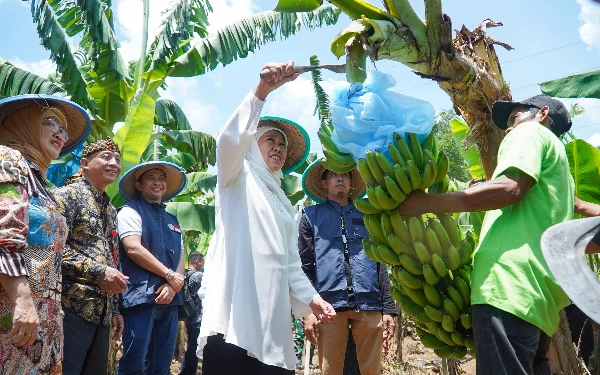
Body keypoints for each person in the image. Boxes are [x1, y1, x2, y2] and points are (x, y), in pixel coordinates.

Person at [396, 94, 589, 374]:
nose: (509, 128)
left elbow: (509, 189)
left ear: (542, 113)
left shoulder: (531, 132)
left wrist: (425, 203)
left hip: (507, 286)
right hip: (538, 301)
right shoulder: (563, 175)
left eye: (514, 117)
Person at [198, 61, 336, 375]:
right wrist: (263, 91)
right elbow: (229, 142)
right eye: (270, 140)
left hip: (272, 319)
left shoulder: (283, 203)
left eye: (283, 144)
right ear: (252, 146)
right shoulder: (236, 177)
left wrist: (312, 299)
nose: (278, 148)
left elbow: (289, 263)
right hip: (234, 316)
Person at [0, 94, 91, 373]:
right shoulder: (8, 158)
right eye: (50, 122)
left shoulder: (43, 183)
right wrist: (23, 300)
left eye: (63, 130)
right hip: (12, 310)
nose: (60, 134)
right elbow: (6, 234)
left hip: (45, 315)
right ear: (24, 122)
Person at [298, 159, 397, 375]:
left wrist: (388, 308)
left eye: (345, 174)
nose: (339, 178)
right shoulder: (310, 217)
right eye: (333, 174)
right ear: (324, 183)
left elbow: (381, 262)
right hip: (328, 306)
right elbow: (305, 266)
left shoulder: (369, 214)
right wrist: (309, 310)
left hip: (369, 302)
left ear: (352, 181)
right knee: (329, 370)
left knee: (371, 370)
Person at [54, 137, 128, 375]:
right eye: (105, 157)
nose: (113, 163)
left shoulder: (111, 210)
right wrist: (97, 272)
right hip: (71, 307)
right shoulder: (67, 196)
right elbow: (52, 250)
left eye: (117, 159)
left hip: (102, 313)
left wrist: (115, 310)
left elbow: (111, 257)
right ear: (84, 163)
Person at [116, 161, 187, 375]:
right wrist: (168, 275)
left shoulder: (172, 219)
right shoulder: (130, 211)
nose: (157, 183)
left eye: (161, 179)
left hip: (170, 299)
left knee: (161, 366)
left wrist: (174, 285)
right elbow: (133, 248)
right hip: (140, 298)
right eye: (151, 178)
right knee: (134, 364)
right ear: (138, 185)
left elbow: (181, 256)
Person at [179, 251, 204, 375]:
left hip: (187, 315)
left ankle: (184, 371)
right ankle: (189, 372)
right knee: (194, 347)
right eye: (202, 263)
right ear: (197, 261)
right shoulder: (199, 276)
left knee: (190, 346)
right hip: (197, 317)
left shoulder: (183, 273)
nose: (202, 266)